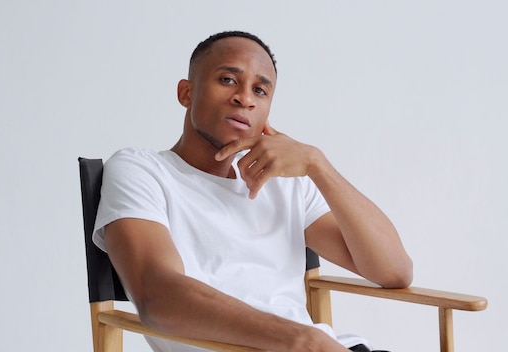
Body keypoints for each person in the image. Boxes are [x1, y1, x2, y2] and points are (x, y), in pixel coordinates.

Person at [93, 30, 413, 352]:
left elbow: (395, 271)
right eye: (228, 80)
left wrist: (318, 166)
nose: (244, 98)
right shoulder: (142, 170)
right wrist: (302, 339)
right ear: (186, 93)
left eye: (259, 90)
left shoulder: (286, 183)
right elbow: (158, 295)